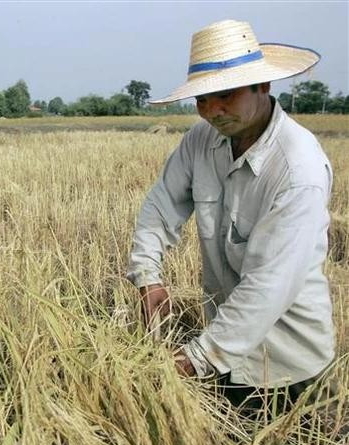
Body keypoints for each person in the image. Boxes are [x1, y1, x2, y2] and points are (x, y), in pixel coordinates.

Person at [126, 20, 335, 413]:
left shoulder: (297, 171)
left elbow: (268, 286)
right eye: (202, 100)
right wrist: (147, 277)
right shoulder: (201, 141)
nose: (212, 111)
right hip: (224, 354)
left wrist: (194, 359)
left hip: (286, 369)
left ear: (264, 86)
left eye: (224, 95)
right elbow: (161, 205)